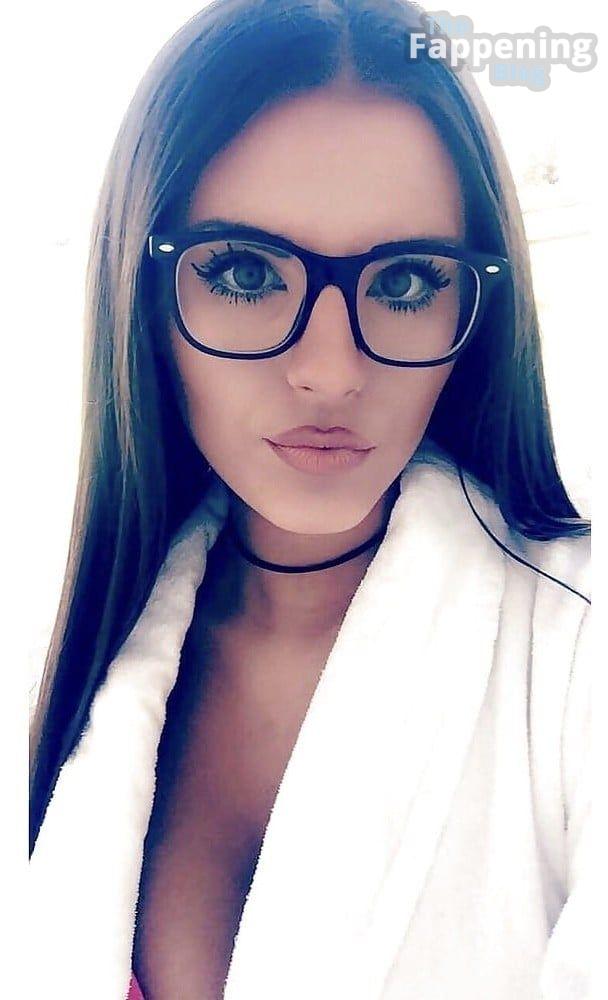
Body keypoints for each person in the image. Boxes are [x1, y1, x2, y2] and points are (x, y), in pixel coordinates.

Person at [29, 2, 593, 998]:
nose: (331, 371)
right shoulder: (61, 638)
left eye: (407, 281)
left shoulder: (577, 647)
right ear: (140, 293)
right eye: (245, 272)